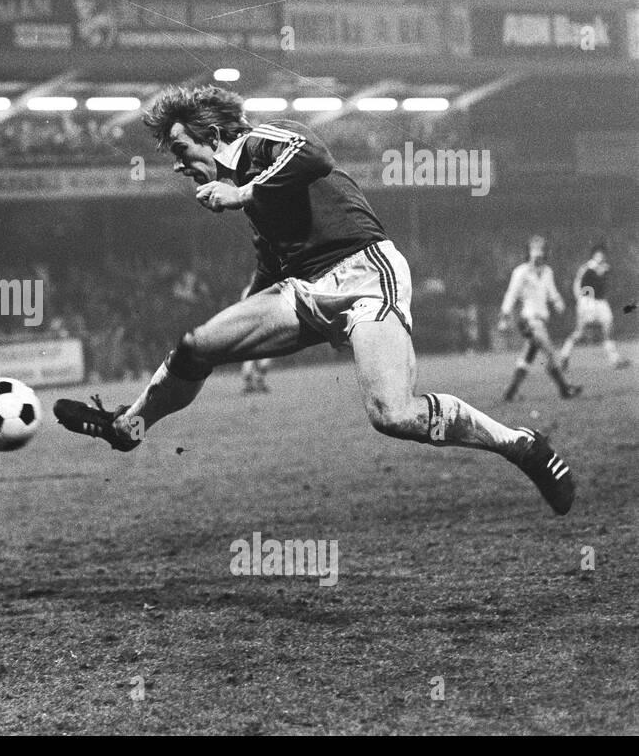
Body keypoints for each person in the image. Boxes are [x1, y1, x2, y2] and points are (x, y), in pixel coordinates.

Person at [53, 85, 576, 515]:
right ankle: (129, 426)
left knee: (392, 414)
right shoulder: (247, 187)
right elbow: (271, 264)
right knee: (196, 346)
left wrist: (243, 194)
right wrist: (246, 307)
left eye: (180, 149)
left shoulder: (262, 143)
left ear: (212, 136)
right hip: (304, 291)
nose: (176, 165)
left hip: (364, 274)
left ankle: (520, 444)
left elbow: (314, 155)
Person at [498, 236, 583, 401]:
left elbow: (551, 291)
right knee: (550, 352)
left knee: (528, 356)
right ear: (529, 251)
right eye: (534, 249)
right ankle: (565, 389)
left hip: (542, 320)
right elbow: (511, 294)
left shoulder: (547, 271)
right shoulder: (521, 272)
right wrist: (504, 316)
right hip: (529, 320)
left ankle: (510, 392)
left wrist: (557, 301)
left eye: (541, 249)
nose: (538, 253)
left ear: (545, 253)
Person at [558, 242, 630, 372]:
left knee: (608, 329)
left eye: (602, 254)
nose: (600, 257)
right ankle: (564, 355)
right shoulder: (586, 268)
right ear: (594, 255)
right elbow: (577, 284)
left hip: (601, 303)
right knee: (580, 332)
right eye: (598, 254)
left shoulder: (606, 268)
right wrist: (581, 300)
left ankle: (615, 360)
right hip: (587, 302)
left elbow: (605, 285)